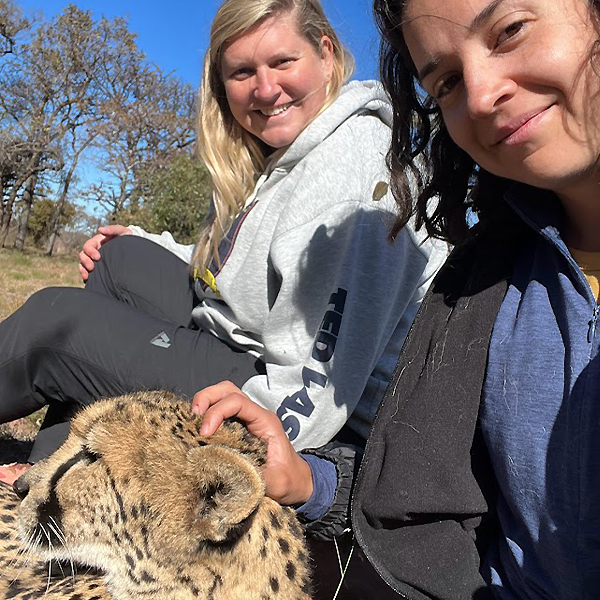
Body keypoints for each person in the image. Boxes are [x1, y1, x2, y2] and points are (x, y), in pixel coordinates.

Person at [191, 0, 600, 598]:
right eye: (447, 81)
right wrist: (311, 482)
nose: (483, 95)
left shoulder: (360, 174)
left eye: (510, 31)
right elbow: (423, 484)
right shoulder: (480, 283)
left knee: (58, 324)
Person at [0, 0, 446, 503]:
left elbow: (317, 383)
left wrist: (266, 448)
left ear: (326, 53)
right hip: (258, 346)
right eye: (242, 71)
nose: (265, 88)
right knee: (119, 260)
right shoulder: (288, 153)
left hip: (305, 401)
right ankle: (59, 465)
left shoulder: (352, 170)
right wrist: (146, 239)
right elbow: (243, 267)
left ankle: (62, 486)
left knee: (55, 323)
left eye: (282, 62)